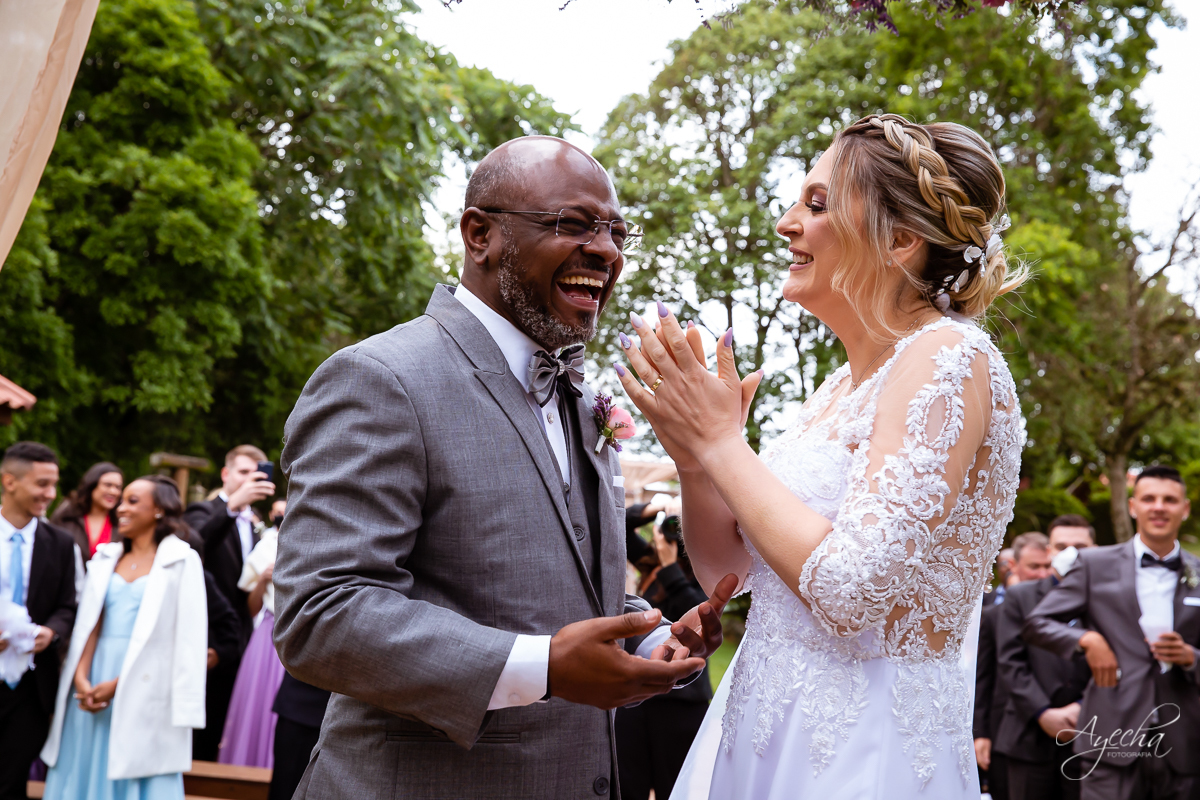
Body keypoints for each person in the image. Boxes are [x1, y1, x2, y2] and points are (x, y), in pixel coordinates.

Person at [274, 135, 733, 800]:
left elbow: (549, 591)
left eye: (615, 232)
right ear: (479, 233)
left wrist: (646, 638)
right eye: (572, 224)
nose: (605, 250)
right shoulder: (381, 379)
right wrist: (543, 667)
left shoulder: (584, 403)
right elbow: (321, 612)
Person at [615, 113, 1027, 799]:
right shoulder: (837, 389)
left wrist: (723, 443)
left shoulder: (950, 357)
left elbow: (851, 591)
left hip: (862, 752)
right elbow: (730, 573)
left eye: (815, 203)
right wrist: (698, 456)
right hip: (758, 730)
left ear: (898, 241)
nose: (785, 222)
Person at [1024, 466, 1200, 800]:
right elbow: (1036, 623)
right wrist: (1086, 640)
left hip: (1184, 742)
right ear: (1133, 507)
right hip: (1109, 737)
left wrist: (1191, 657)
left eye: (1169, 500)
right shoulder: (1094, 564)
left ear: (1185, 508)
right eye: (1149, 498)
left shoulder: (1198, 571)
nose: (1159, 506)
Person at [40, 475, 207, 799]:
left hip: (146, 681)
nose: (120, 508)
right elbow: (90, 623)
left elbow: (188, 639)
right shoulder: (105, 558)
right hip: (93, 676)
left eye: (132, 501)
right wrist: (81, 676)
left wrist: (117, 686)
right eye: (122, 501)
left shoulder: (182, 560)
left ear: (158, 510)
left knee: (136, 765)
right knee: (84, 766)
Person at [183, 444, 275, 761]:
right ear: (226, 474)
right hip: (205, 639)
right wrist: (234, 504)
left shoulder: (255, 523)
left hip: (241, 639)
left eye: (256, 474)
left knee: (226, 724)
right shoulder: (202, 511)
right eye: (243, 472)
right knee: (198, 731)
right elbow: (191, 549)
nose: (250, 479)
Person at [617, 504, 714, 800]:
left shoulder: (703, 570)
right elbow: (617, 522)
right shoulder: (649, 562)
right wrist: (655, 508)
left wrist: (672, 568)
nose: (675, 534)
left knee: (672, 787)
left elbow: (700, 613)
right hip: (637, 698)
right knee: (628, 783)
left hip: (681, 703)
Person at [992, 520, 1094, 800]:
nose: (1071, 553)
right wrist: (1043, 712)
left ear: (1095, 550)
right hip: (1028, 733)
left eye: (1081, 547)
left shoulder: (1109, 597)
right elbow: (1010, 661)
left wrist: (1083, 707)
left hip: (1091, 734)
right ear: (1050, 551)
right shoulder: (1020, 596)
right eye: (1062, 546)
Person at [0, 442, 77, 800]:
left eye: (53, 484)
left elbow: (68, 605)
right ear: (9, 481)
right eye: (41, 484)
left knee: (12, 778)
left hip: (33, 687)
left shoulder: (60, 543)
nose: (50, 494)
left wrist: (52, 631)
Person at [975, 532, 1053, 800]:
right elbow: (983, 677)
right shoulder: (993, 616)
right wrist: (980, 732)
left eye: (1047, 566)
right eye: (1034, 567)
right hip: (1008, 731)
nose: (1042, 574)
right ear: (1014, 567)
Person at [218, 499, 284, 768]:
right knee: (256, 705)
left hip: (297, 635)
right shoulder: (267, 546)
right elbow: (252, 608)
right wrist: (262, 580)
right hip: (267, 636)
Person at [50, 462, 124, 562]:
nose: (113, 492)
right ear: (92, 485)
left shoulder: (121, 523)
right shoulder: (67, 514)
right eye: (108, 485)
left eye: (118, 487)